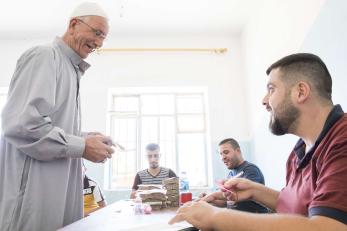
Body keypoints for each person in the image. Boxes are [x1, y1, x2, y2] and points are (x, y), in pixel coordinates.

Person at [169, 53, 347, 231]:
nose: (264, 100)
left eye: (271, 89)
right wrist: (255, 191)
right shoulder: (298, 151)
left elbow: (328, 226)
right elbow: (296, 206)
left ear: (300, 92)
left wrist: (215, 216)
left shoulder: (342, 138)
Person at [0, 2, 114, 231]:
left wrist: (84, 137)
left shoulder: (71, 70)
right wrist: (81, 146)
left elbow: (47, 124)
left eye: (104, 38)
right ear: (73, 25)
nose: (99, 43)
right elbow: (22, 124)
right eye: (97, 33)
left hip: (58, 195)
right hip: (32, 198)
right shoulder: (45, 56)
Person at [199, 138, 268, 213]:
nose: (223, 157)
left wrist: (213, 195)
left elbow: (246, 193)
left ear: (238, 151)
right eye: (221, 154)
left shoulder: (250, 170)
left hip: (255, 220)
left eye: (226, 152)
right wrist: (210, 200)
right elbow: (226, 202)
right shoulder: (231, 174)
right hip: (237, 219)